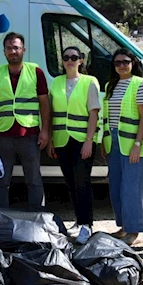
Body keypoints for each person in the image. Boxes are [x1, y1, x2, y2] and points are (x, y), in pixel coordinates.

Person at [0, 32, 51, 212]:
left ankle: (37, 218)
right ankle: (1, 218)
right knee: (1, 180)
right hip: (3, 136)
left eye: (16, 47)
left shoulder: (36, 72)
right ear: (4, 51)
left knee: (34, 180)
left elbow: (45, 104)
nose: (13, 51)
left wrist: (45, 131)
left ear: (24, 50)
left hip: (30, 135)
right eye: (9, 48)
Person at [47, 46, 102, 244]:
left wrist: (89, 141)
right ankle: (79, 221)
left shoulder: (89, 82)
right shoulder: (56, 83)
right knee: (70, 183)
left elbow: (94, 113)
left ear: (81, 61)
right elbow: (52, 113)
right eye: (66, 57)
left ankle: (87, 224)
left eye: (74, 57)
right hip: (62, 140)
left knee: (82, 182)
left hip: (82, 141)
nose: (70, 60)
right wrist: (52, 140)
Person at [102, 48, 143, 246]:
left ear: (133, 63)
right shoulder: (110, 86)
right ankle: (123, 226)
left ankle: (133, 230)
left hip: (132, 142)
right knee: (116, 186)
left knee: (131, 188)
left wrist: (137, 144)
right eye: (117, 63)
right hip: (113, 142)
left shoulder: (141, 84)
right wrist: (104, 141)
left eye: (125, 61)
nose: (122, 65)